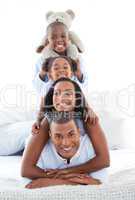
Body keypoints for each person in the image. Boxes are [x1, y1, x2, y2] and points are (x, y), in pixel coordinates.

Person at [21, 78, 110, 188]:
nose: (61, 98)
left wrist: (68, 172)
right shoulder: (48, 120)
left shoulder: (88, 118)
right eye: (56, 93)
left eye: (67, 93)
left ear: (76, 97)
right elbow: (26, 169)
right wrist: (68, 178)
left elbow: (104, 160)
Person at [24, 114, 108, 189]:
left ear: (79, 132)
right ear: (50, 135)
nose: (66, 143)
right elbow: (29, 185)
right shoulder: (38, 148)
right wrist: (80, 181)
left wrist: (52, 182)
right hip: (24, 135)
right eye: (58, 136)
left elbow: (100, 184)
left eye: (71, 134)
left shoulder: (91, 145)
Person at [32, 56, 98, 134]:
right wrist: (38, 120)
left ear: (71, 73)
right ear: (50, 75)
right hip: (54, 115)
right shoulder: (47, 86)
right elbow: (42, 108)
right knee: (42, 127)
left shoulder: (74, 85)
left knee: (87, 121)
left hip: (73, 115)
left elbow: (84, 102)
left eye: (65, 67)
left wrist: (89, 110)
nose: (61, 70)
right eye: (56, 68)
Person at [33, 21, 88, 96]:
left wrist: (79, 73)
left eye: (63, 36)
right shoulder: (42, 60)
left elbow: (84, 87)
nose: (59, 40)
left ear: (69, 38)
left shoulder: (77, 58)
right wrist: (42, 73)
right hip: (51, 100)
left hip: (72, 99)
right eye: (53, 37)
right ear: (48, 40)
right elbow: (38, 89)